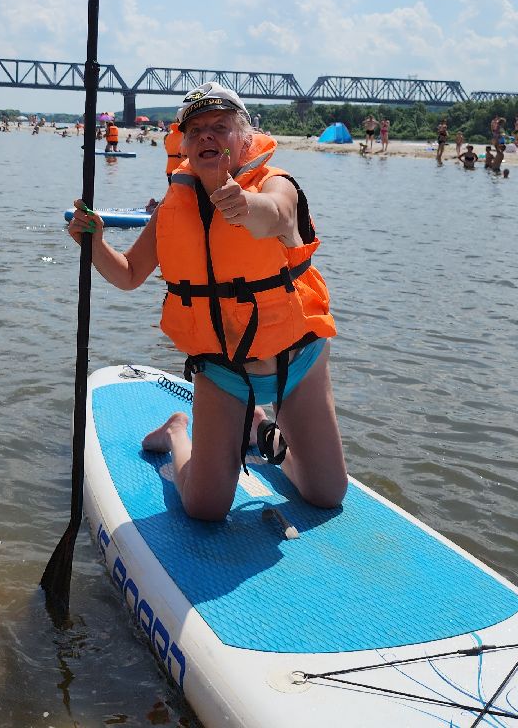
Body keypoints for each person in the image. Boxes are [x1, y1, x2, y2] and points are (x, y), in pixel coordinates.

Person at [67, 82, 346, 521]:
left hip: (299, 360)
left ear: (246, 138)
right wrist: (95, 243)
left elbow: (279, 214)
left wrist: (243, 203)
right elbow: (128, 274)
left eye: (220, 126)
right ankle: (179, 431)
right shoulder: (172, 208)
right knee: (205, 508)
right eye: (195, 130)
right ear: (184, 143)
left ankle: (257, 427)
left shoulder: (276, 185)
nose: (207, 136)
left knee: (326, 493)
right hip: (223, 370)